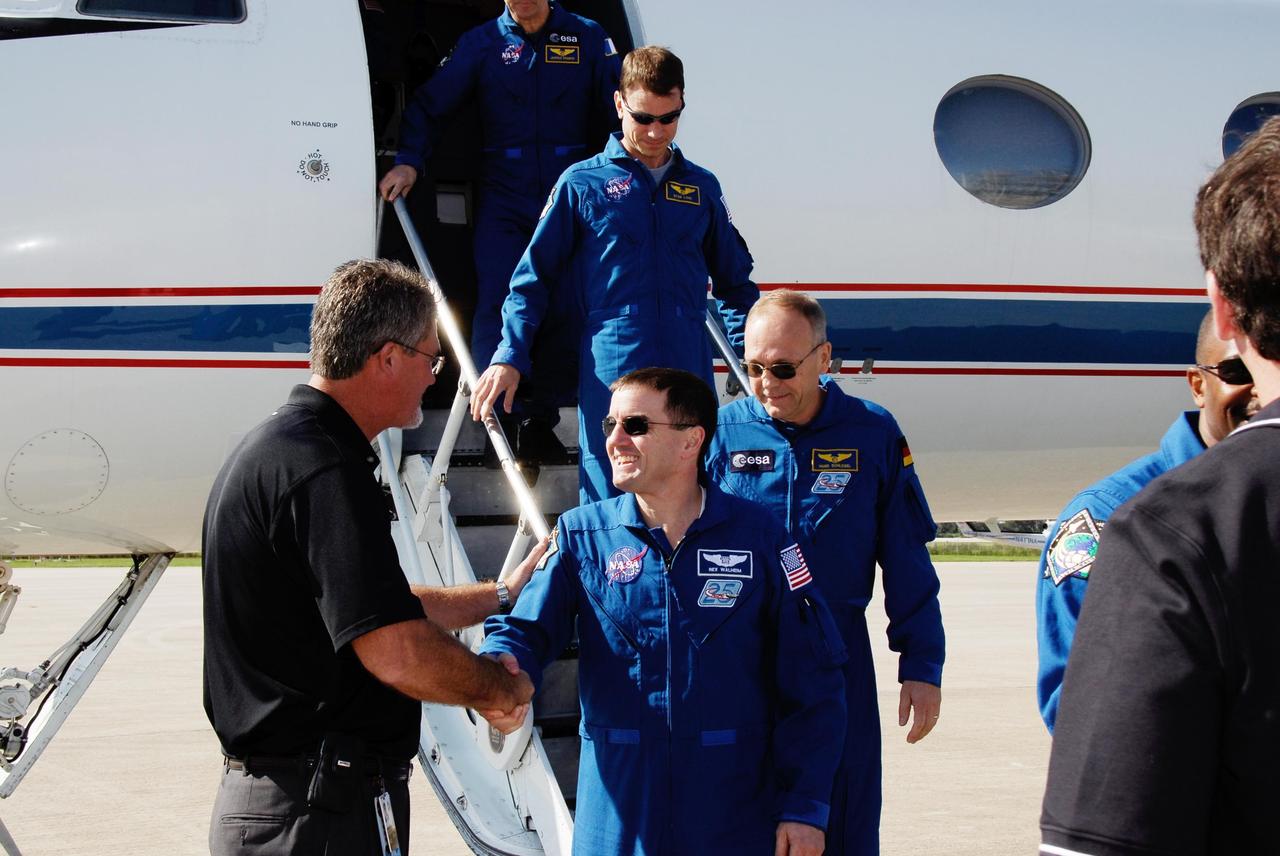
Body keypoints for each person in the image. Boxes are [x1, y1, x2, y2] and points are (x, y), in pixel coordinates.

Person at [203, 259, 540, 855]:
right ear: (386, 358)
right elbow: (394, 649)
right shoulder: (325, 470)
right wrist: (496, 689)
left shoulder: (277, 450)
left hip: (283, 804)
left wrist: (500, 595)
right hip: (319, 812)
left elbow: (367, 609)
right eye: (430, 359)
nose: (435, 378)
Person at [480, 367, 848, 856]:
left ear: (690, 441)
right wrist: (501, 667)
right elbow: (524, 631)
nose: (614, 440)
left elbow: (814, 683)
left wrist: (804, 808)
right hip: (617, 820)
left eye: (634, 426)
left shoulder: (763, 541)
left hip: (732, 816)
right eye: (609, 424)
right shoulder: (580, 537)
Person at [1041, 117, 1280, 855]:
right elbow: (1074, 699)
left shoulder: (1171, 534)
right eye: (1225, 379)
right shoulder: (1114, 519)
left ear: (1226, 306)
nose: (1242, 393)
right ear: (1194, 380)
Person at [704, 289, 945, 856]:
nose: (767, 383)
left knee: (844, 814)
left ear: (824, 358)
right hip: (741, 657)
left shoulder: (873, 433)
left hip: (836, 656)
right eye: (754, 367)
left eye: (784, 368)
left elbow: (906, 556)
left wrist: (922, 663)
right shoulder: (721, 433)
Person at [470, 46, 758, 503]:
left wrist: (753, 357)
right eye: (644, 118)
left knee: (695, 490)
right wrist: (510, 354)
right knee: (612, 495)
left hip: (688, 361)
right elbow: (532, 280)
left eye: (669, 118)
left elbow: (735, 284)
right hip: (615, 363)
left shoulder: (702, 187)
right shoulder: (581, 184)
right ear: (620, 103)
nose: (656, 132)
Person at [379, 0, 621, 458]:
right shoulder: (483, 43)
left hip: (567, 195)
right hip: (505, 197)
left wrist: (623, 175)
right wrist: (409, 161)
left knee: (564, 304)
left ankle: (539, 416)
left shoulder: (586, 36)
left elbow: (621, 112)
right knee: (500, 298)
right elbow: (431, 105)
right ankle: (498, 421)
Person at [1035, 310, 1258, 732]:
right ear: (1198, 385)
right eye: (1236, 371)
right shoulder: (1111, 516)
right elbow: (1080, 711)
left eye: (1271, 370)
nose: (1260, 392)